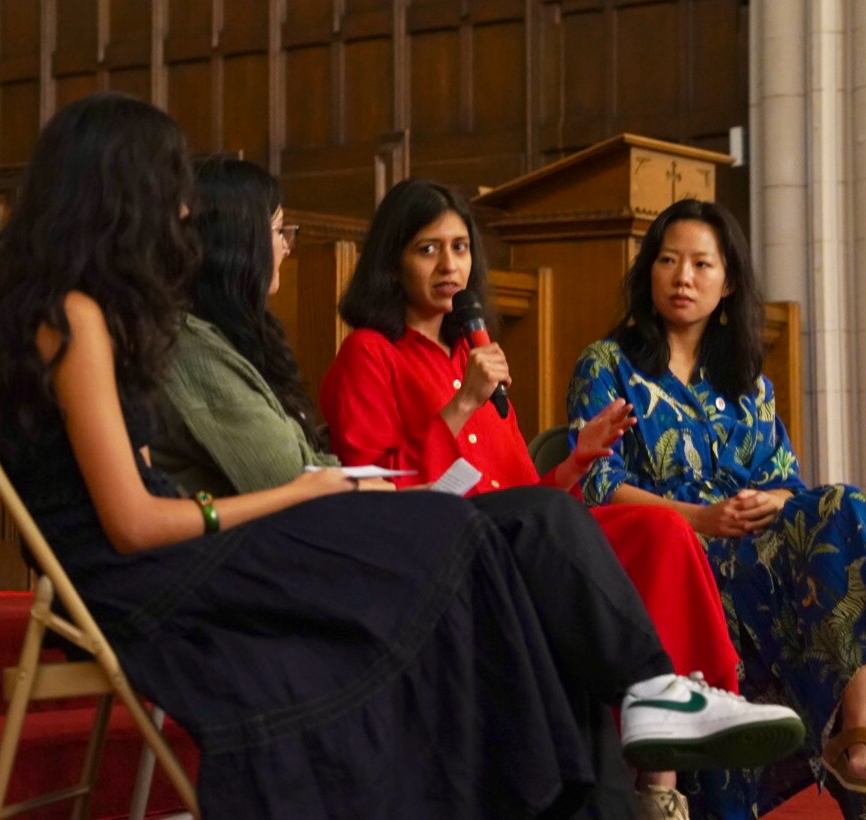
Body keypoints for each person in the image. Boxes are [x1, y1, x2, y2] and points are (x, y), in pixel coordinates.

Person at [0, 96, 799, 819]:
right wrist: (300, 492)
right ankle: (572, 765)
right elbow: (132, 522)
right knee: (464, 541)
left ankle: (633, 720)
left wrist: (311, 489)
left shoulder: (87, 313)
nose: (184, 210)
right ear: (119, 194)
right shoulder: (75, 316)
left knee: (504, 534)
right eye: (169, 188)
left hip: (174, 555)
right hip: (146, 580)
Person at [318, 177, 756, 819]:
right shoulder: (369, 354)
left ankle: (664, 762)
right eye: (428, 249)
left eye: (460, 247)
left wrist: (576, 462)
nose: (449, 266)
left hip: (517, 541)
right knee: (564, 524)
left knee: (658, 530)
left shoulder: (471, 352)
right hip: (441, 552)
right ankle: (657, 711)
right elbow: (376, 491)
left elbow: (525, 496)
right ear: (392, 261)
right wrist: (461, 404)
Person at [566, 198, 866, 820]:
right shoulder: (608, 366)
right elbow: (597, 484)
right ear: (649, 272)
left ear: (727, 283)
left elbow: (788, 483)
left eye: (701, 264)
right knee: (830, 565)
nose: (683, 278)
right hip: (671, 559)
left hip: (754, 555)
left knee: (848, 509)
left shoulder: (748, 382)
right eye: (669, 261)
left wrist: (771, 500)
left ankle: (863, 739)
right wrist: (700, 519)